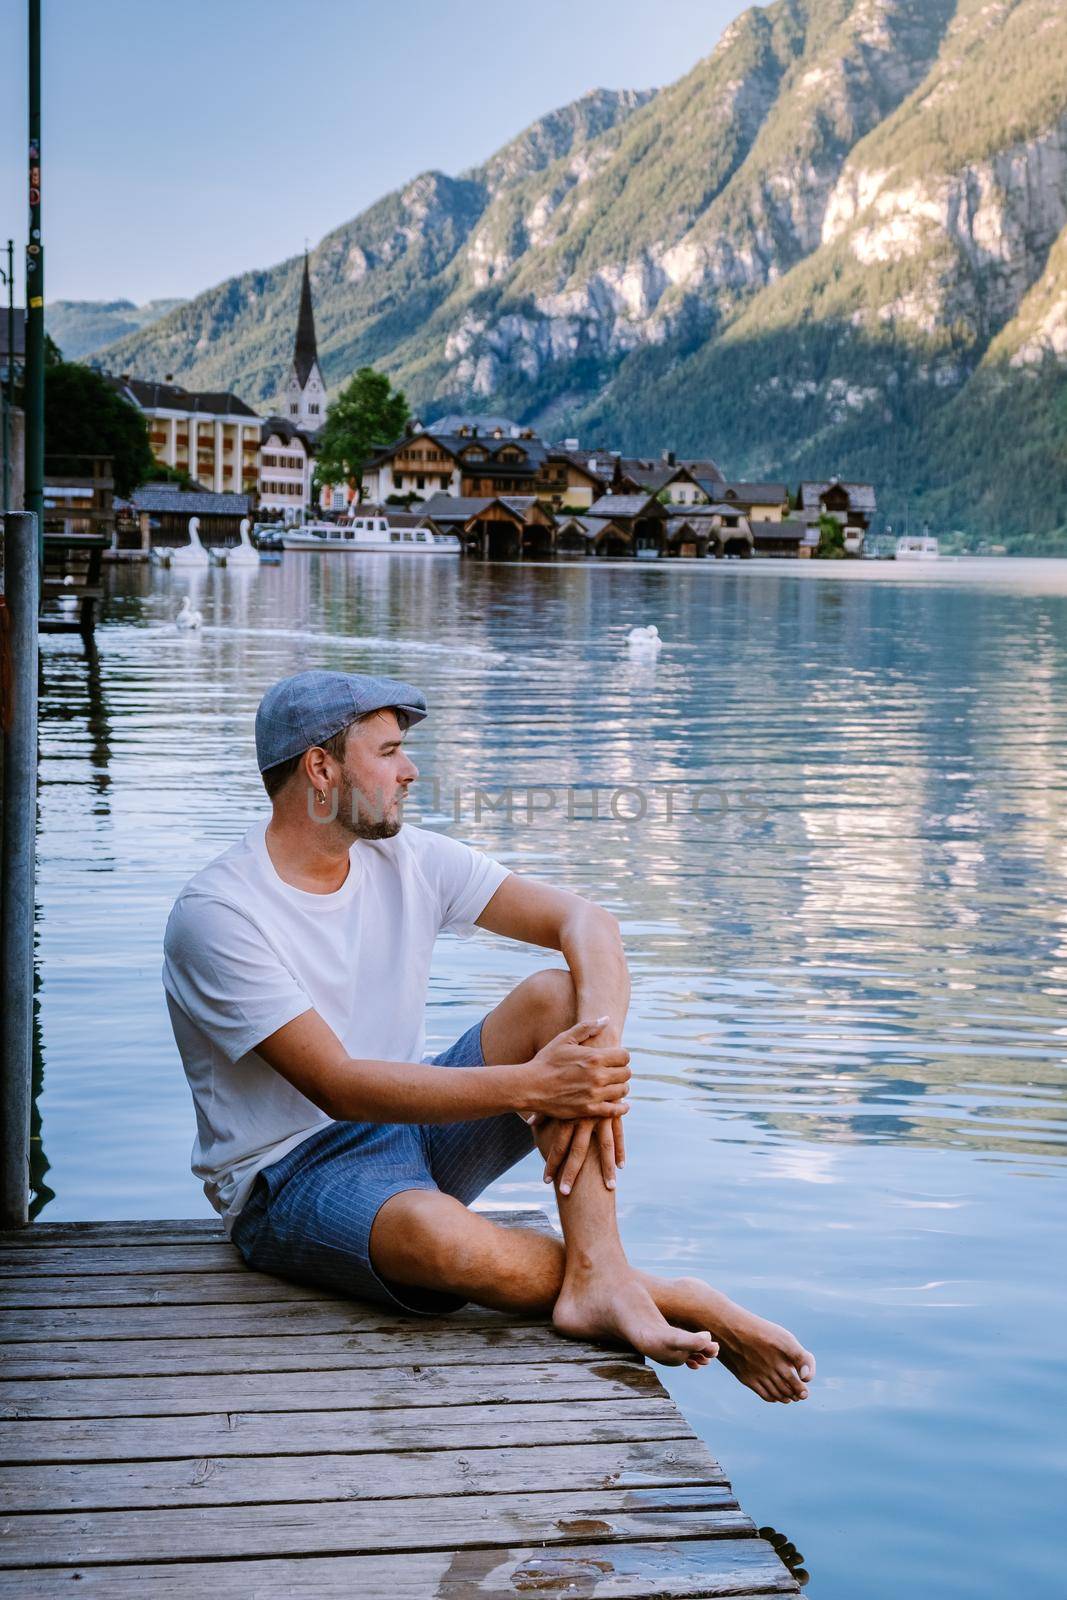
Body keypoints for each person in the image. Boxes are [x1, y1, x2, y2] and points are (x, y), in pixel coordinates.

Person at [163, 669, 814, 1398]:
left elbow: (586, 923)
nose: (410, 771)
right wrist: (537, 1085)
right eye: (387, 752)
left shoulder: (405, 859)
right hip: (287, 1178)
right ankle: (671, 1294)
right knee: (442, 1240)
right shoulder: (219, 914)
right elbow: (337, 1085)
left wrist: (594, 1056)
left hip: (407, 1134)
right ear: (321, 767)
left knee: (561, 1000)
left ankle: (598, 1272)